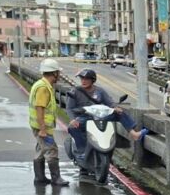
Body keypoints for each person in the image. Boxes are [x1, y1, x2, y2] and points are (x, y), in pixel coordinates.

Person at [67, 69, 147, 158]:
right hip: (83, 118)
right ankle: (82, 151)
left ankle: (134, 134)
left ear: (92, 80)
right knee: (72, 127)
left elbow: (110, 102)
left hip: (99, 117)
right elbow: (69, 108)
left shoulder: (99, 91)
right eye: (82, 79)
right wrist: (72, 119)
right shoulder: (75, 91)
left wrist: (115, 108)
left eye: (86, 79)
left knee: (120, 113)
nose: (83, 81)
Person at [29, 58, 69, 187]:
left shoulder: (42, 84)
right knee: (51, 150)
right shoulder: (43, 88)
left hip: (39, 125)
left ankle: (39, 178)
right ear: (54, 73)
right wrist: (42, 128)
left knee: (41, 150)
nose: (59, 74)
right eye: (58, 72)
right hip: (42, 126)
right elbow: (39, 108)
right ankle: (56, 179)